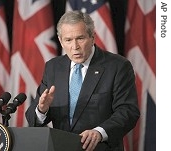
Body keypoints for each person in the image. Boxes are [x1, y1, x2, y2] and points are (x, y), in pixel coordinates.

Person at [25, 10, 140, 151]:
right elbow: (33, 119)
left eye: (80, 38)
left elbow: (128, 111)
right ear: (60, 41)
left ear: (92, 37)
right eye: (68, 40)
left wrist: (99, 132)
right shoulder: (54, 67)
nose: (75, 46)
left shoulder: (117, 66)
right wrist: (42, 110)